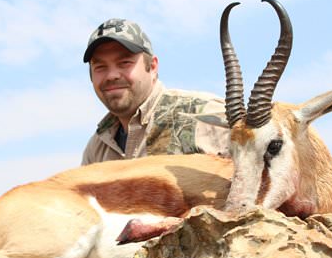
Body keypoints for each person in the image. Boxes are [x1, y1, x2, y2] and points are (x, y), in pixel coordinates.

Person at [81, 18, 229, 165]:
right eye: (100, 67)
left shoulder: (202, 114)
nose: (112, 75)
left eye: (124, 63)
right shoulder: (97, 148)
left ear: (152, 67)